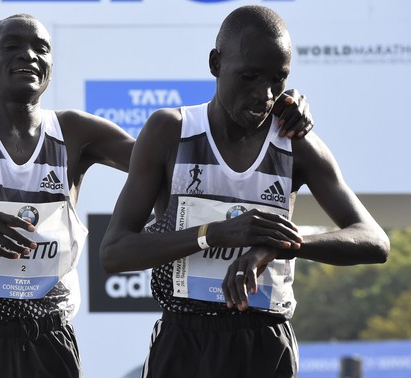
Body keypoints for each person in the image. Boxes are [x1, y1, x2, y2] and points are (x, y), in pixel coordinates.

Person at [0, 13, 314, 378]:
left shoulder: (76, 133)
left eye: (42, 48)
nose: (29, 54)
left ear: (51, 67)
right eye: (12, 46)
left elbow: (181, 157)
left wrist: (273, 106)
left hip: (49, 339)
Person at [99, 5, 390, 378]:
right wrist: (212, 234)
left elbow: (373, 241)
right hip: (185, 339)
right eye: (249, 76)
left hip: (265, 342)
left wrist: (280, 244)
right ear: (216, 63)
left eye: (278, 79)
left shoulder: (295, 144)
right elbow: (114, 253)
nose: (263, 95)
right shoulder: (170, 130)